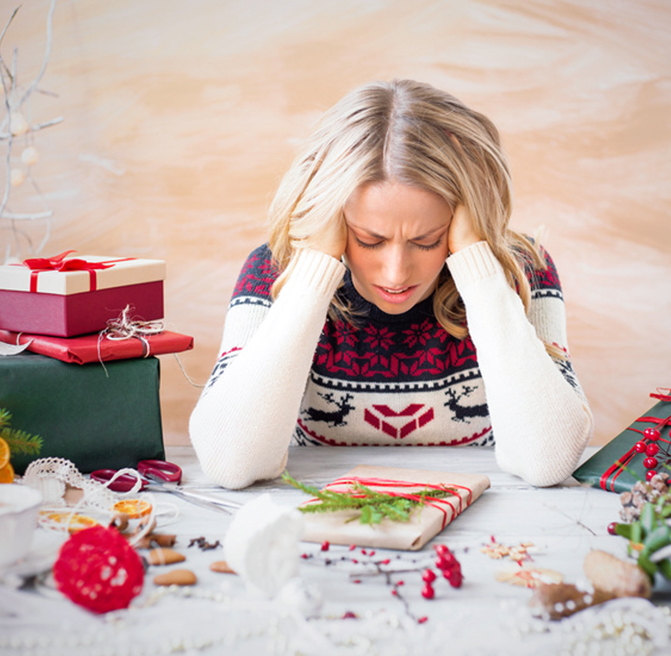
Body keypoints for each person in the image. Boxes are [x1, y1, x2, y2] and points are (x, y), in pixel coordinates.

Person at [189, 79, 593, 489]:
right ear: (334, 217)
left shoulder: (522, 271)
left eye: (426, 241)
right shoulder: (273, 272)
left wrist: (478, 263)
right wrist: (314, 270)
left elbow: (547, 459)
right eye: (370, 240)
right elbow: (231, 462)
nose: (396, 273)